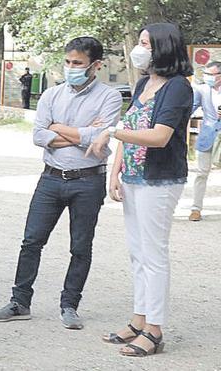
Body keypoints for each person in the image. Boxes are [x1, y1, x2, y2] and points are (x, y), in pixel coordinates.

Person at [0, 37, 122, 330]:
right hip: (50, 178)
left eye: (78, 64)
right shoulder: (51, 95)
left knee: (81, 246)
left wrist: (57, 129)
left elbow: (99, 140)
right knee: (32, 240)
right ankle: (19, 301)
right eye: (68, 62)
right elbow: (39, 137)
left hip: (88, 181)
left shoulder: (109, 98)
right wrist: (83, 133)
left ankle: (69, 305)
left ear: (95, 66)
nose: (71, 68)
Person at [88, 23, 194, 358]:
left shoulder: (177, 88)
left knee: (154, 256)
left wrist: (112, 132)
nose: (139, 47)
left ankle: (155, 330)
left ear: (162, 47)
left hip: (159, 180)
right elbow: (130, 126)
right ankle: (138, 320)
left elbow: (159, 136)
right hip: (133, 178)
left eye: (145, 42)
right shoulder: (145, 83)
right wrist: (116, 171)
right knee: (138, 254)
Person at [188, 61, 221, 222]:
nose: (208, 77)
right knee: (201, 173)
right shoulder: (201, 90)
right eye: (206, 74)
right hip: (208, 136)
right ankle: (196, 208)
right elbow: (190, 108)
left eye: (211, 74)